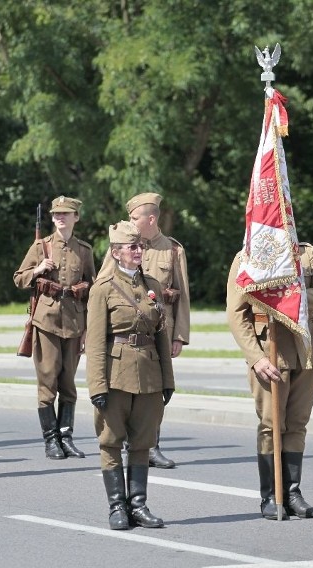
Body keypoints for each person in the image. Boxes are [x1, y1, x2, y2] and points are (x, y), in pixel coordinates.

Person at [226, 243, 313, 519]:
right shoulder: (247, 257)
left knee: (297, 424)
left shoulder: (307, 253)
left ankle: (293, 493)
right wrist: (256, 358)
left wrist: (291, 296)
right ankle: (271, 497)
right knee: (271, 425)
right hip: (268, 354)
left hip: (306, 351)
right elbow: (236, 314)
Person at [87, 221, 174, 530]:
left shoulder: (153, 285)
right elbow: (95, 341)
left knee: (142, 442)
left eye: (141, 246)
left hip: (149, 375)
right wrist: (97, 384)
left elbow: (162, 334)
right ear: (116, 252)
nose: (139, 251)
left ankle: (138, 505)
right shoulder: (103, 288)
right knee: (111, 442)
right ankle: (116, 507)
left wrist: (168, 379)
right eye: (132, 247)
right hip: (116, 375)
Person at [100, 192, 189, 469]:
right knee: (126, 392)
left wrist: (179, 336)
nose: (130, 221)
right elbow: (103, 283)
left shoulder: (173, 250)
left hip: (159, 332)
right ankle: (131, 443)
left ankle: (151, 446)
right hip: (125, 333)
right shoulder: (121, 245)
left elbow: (183, 295)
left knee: (155, 389)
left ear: (150, 219)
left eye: (134, 217)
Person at [14, 196, 95, 460]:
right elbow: (19, 278)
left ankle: (66, 437)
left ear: (76, 217)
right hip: (46, 323)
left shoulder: (84, 250)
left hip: (74, 323)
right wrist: (38, 270)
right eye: (56, 214)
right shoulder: (41, 247)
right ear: (51, 218)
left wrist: (88, 329)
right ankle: (51, 440)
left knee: (68, 384)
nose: (60, 217)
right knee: (47, 381)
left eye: (66, 213)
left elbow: (92, 289)